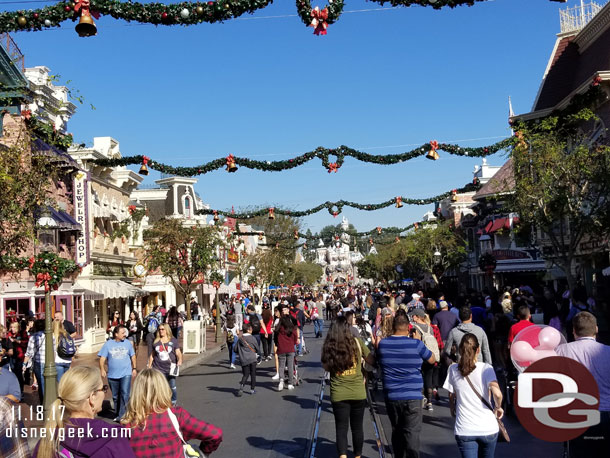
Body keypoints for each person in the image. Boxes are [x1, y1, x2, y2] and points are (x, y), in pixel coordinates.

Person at [33, 366, 135, 458]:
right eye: (103, 389)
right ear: (92, 397)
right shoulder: (113, 439)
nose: (105, 393)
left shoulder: (47, 441)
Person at [123, 369, 222, 457]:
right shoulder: (176, 415)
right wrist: (204, 451)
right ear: (163, 388)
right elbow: (215, 434)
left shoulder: (128, 422)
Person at [376, 314, 435, 458]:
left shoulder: (383, 344)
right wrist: (419, 341)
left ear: (392, 327)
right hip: (413, 396)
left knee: (397, 430)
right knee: (412, 433)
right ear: (408, 327)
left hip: (392, 395)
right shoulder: (417, 344)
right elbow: (432, 359)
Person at [556, 311, 610, 457]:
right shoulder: (608, 352)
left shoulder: (561, 351)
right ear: (596, 329)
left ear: (574, 331)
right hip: (606, 414)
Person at [322, 317, 375, 458]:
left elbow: (326, 367)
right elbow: (371, 359)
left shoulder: (329, 346)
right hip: (358, 392)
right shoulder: (357, 343)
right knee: (357, 427)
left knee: (341, 427)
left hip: (338, 394)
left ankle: (343, 456)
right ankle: (358, 456)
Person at [443, 333, 503, 458]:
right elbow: (497, 393)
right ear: (478, 350)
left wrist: (452, 409)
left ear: (460, 349)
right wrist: (498, 407)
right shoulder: (486, 368)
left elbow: (451, 394)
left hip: (465, 428)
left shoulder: (453, 369)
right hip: (488, 428)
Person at [98, 325, 136, 421]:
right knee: (115, 396)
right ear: (116, 334)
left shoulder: (128, 343)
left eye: (125, 332)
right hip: (112, 375)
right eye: (122, 333)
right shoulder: (108, 344)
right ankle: (118, 413)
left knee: (125, 394)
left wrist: (134, 368)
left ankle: (123, 415)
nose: (125, 334)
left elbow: (133, 356)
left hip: (126, 373)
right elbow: (102, 358)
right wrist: (102, 369)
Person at [147, 323, 182, 406]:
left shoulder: (173, 340)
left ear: (167, 330)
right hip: (158, 368)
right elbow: (152, 354)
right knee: (159, 387)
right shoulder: (156, 341)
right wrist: (149, 365)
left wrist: (180, 360)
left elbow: (178, 352)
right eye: (159, 329)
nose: (161, 331)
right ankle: (160, 403)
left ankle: (173, 401)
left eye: (163, 329)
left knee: (172, 386)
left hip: (170, 368)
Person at [23, 319, 45, 404]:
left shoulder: (33, 337)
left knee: (41, 383)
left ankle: (43, 402)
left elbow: (29, 352)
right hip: (50, 363)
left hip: (39, 362)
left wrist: (24, 364)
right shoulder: (51, 335)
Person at [236, 322, 260, 396]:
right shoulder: (252, 338)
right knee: (253, 374)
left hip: (244, 359)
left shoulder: (240, 339)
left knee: (245, 374)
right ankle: (252, 389)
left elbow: (235, 349)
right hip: (252, 358)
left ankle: (242, 386)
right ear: (249, 330)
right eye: (251, 329)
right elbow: (257, 348)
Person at [276, 315, 298, 390]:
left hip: (281, 349)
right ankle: (290, 383)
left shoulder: (278, 329)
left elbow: (275, 339)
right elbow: (295, 339)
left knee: (281, 366)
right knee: (290, 366)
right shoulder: (292, 329)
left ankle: (281, 381)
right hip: (290, 349)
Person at [7, 321, 28, 393]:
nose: (12, 329)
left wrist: (16, 340)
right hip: (12, 356)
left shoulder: (22, 333)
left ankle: (20, 391)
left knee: (19, 374)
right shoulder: (9, 334)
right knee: (13, 374)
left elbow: (25, 343)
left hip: (20, 356)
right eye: (11, 327)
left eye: (14, 327)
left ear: (17, 327)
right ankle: (15, 390)